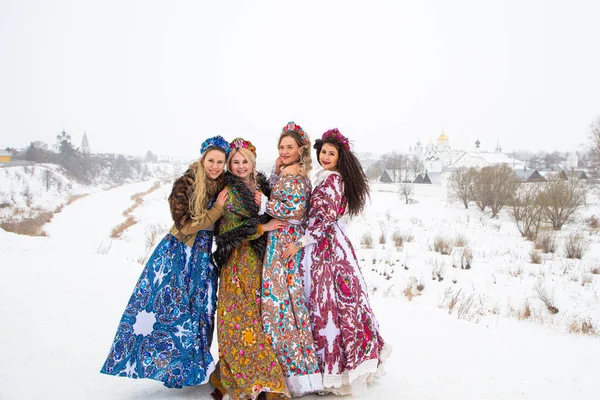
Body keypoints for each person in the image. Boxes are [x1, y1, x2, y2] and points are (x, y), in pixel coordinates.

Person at [100, 135, 230, 388]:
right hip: (179, 253)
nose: (215, 166)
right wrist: (216, 210)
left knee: (200, 312)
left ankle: (195, 365)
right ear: (202, 159)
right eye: (211, 160)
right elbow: (186, 225)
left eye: (220, 162)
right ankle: (166, 367)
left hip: (202, 259)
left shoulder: (223, 185)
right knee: (170, 313)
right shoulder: (185, 185)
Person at [282, 128, 389, 395]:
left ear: (340, 158)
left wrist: (300, 242)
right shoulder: (326, 177)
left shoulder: (332, 181)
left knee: (327, 304)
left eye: (332, 153)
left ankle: (334, 370)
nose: (326, 156)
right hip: (330, 244)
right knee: (331, 304)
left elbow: (323, 220)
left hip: (324, 248)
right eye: (323, 152)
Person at [210, 138, 289, 400]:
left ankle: (263, 375)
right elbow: (227, 232)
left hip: (258, 261)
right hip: (235, 262)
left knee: (257, 318)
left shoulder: (261, 185)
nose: (241, 166)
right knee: (238, 320)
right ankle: (247, 377)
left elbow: (278, 201)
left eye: (245, 161)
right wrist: (262, 228)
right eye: (236, 162)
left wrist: (277, 173)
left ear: (253, 163)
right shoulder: (229, 192)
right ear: (229, 165)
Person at [261, 122, 323, 397]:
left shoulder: (297, 174)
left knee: (283, 303)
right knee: (280, 301)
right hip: (278, 239)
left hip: (285, 242)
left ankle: (293, 370)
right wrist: (275, 173)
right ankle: (282, 368)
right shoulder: (287, 172)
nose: (284, 151)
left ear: (301, 150)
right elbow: (281, 197)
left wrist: (264, 203)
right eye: (281, 147)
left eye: (290, 147)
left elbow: (295, 209)